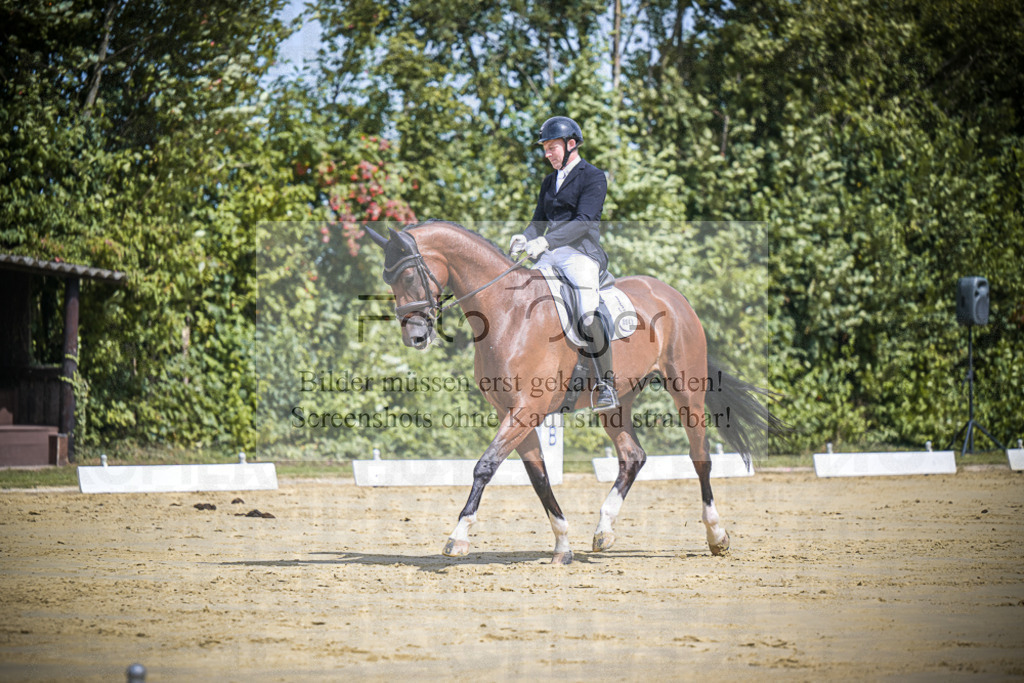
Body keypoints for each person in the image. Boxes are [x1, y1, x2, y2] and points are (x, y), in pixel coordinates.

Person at [509, 116, 619, 412]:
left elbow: (584, 222)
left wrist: (545, 241)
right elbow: (538, 222)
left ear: (571, 145)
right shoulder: (549, 181)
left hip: (581, 254)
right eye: (545, 149)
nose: (547, 154)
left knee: (586, 311)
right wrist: (525, 237)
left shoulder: (593, 176)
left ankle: (606, 384)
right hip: (550, 254)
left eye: (552, 148)